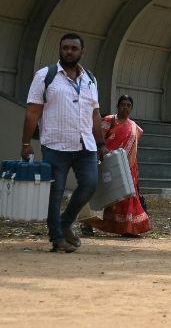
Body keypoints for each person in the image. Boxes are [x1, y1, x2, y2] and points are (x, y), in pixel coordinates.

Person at [21, 33, 107, 253]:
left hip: (85, 145)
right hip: (55, 145)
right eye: (65, 47)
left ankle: (65, 222)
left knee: (90, 184)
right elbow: (33, 111)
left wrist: (101, 143)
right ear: (60, 49)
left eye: (73, 48)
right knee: (55, 193)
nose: (69, 51)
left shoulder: (90, 79)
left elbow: (95, 115)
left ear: (82, 52)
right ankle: (57, 238)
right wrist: (26, 143)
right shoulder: (46, 75)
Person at [81, 94, 150, 237]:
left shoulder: (134, 126)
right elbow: (98, 138)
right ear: (118, 106)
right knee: (106, 197)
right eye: (123, 104)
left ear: (132, 108)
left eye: (129, 105)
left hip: (127, 167)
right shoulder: (109, 120)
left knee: (127, 198)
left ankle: (128, 228)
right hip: (110, 165)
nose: (125, 107)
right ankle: (88, 223)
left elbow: (133, 148)